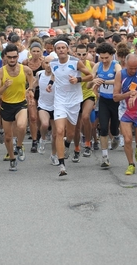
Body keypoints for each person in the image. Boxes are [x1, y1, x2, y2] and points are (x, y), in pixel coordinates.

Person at [48, 37, 93, 176]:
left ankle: (68, 144)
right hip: (60, 100)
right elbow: (55, 76)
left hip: (74, 100)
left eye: (63, 48)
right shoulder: (53, 63)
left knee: (71, 134)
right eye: (58, 48)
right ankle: (61, 165)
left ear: (67, 49)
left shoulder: (75, 62)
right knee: (59, 131)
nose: (61, 50)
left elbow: (90, 76)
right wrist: (50, 84)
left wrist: (78, 79)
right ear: (55, 51)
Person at [0, 44, 34, 171]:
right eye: (9, 57)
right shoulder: (0, 72)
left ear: (18, 56)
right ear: (5, 57)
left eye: (14, 57)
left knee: (21, 126)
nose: (12, 60)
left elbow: (31, 81)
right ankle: (12, 158)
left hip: (21, 103)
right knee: (8, 137)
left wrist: (30, 90)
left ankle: (20, 146)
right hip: (6, 105)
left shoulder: (26, 69)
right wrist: (4, 87)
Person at [113, 54, 137, 175]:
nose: (133, 70)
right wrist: (128, 94)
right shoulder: (120, 74)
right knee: (127, 139)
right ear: (125, 65)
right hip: (125, 112)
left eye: (135, 68)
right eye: (131, 68)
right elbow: (115, 97)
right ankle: (131, 164)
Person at [87, 43, 121, 169]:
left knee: (113, 128)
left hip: (115, 101)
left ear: (112, 56)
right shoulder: (97, 66)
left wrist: (103, 81)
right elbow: (88, 85)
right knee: (103, 127)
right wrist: (93, 81)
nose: (104, 60)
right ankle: (105, 157)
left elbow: (119, 80)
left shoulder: (116, 65)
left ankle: (116, 136)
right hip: (103, 101)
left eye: (107, 58)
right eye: (102, 58)